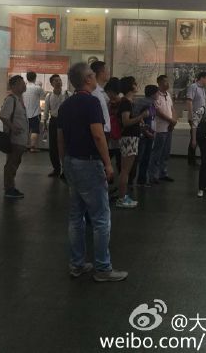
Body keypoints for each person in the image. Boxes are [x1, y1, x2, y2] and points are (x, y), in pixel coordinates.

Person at [57, 62, 127, 282]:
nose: (96, 77)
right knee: (100, 218)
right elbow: (98, 135)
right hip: (89, 163)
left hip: (71, 162)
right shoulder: (92, 102)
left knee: (76, 217)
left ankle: (77, 264)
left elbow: (60, 138)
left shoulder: (66, 105)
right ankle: (103, 268)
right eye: (92, 75)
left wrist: (63, 163)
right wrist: (107, 163)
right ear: (87, 79)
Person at [116, 76, 147, 208]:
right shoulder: (126, 103)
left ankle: (123, 196)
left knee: (126, 170)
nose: (136, 85)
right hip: (128, 138)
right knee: (125, 170)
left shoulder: (128, 102)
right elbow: (126, 121)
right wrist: (141, 116)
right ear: (130, 86)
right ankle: (121, 198)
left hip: (131, 137)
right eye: (134, 83)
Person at [0, 75, 28, 199]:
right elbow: (3, 116)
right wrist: (13, 128)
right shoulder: (11, 99)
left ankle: (10, 186)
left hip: (20, 139)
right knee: (11, 163)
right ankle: (9, 188)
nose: (24, 85)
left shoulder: (18, 99)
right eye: (21, 84)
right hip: (14, 139)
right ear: (14, 86)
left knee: (15, 162)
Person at [148, 75, 177, 184]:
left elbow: (172, 109)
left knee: (165, 152)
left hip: (169, 128)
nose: (167, 83)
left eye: (168, 81)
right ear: (159, 83)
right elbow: (158, 112)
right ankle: (153, 175)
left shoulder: (168, 95)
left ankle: (163, 173)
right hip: (160, 129)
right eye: (165, 82)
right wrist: (171, 121)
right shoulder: (156, 95)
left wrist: (174, 121)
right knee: (157, 153)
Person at [43, 74, 68, 178]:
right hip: (54, 121)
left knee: (65, 145)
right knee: (53, 146)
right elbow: (46, 111)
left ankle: (66, 169)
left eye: (59, 80)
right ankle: (56, 169)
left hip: (66, 121)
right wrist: (45, 123)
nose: (58, 82)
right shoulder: (48, 96)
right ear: (52, 84)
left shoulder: (67, 94)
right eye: (56, 81)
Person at [134, 85, 158, 187]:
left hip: (149, 134)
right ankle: (132, 180)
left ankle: (142, 180)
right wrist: (146, 131)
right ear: (153, 94)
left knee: (146, 158)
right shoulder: (144, 103)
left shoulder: (152, 104)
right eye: (157, 93)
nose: (158, 94)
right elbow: (138, 117)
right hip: (143, 135)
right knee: (140, 157)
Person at [186, 71, 206, 165]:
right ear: (202, 78)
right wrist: (191, 116)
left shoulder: (203, 89)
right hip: (195, 117)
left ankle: (193, 159)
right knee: (194, 137)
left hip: (202, 117)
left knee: (197, 137)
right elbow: (189, 101)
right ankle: (191, 160)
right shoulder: (193, 87)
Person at [22, 71, 44, 152]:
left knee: (25, 131)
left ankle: (24, 146)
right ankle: (33, 147)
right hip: (35, 113)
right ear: (35, 78)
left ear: (27, 78)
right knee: (35, 130)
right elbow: (43, 96)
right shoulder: (38, 88)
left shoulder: (23, 88)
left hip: (25, 113)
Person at [90, 61, 111, 140]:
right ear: (101, 72)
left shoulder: (101, 91)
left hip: (104, 131)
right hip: (100, 131)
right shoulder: (94, 92)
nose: (109, 73)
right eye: (107, 70)